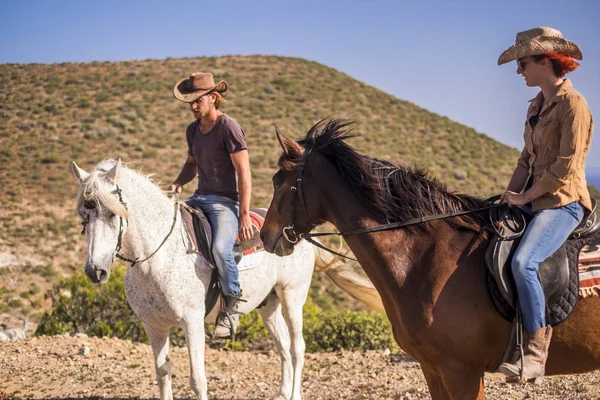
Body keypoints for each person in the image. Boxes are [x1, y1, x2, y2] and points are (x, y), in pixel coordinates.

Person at [496, 27, 594, 382]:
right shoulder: (536, 106)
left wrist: (524, 197)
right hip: (533, 200)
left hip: (563, 203)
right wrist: (507, 199)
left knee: (524, 263)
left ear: (545, 61)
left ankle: (535, 354)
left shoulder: (574, 105)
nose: (519, 71)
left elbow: (565, 168)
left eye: (523, 63)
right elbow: (527, 160)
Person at [169, 72, 253, 338]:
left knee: (220, 249)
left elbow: (244, 173)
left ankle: (231, 306)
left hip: (225, 202)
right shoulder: (192, 130)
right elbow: (192, 165)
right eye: (190, 102)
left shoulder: (229, 127)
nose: (193, 106)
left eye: (198, 101)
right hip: (199, 197)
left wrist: (245, 214)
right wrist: (178, 183)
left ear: (213, 98)